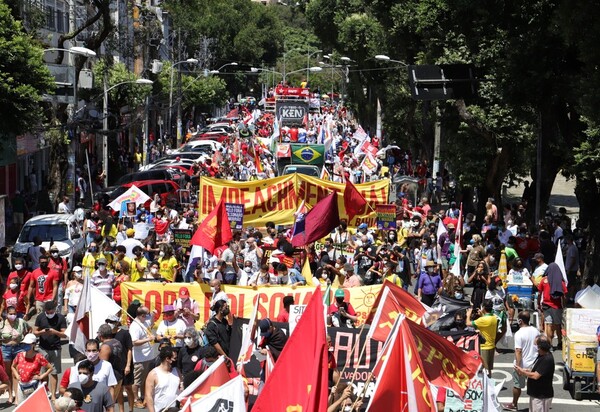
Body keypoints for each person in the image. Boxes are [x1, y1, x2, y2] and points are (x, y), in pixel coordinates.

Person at [504, 311, 540, 411]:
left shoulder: (519, 333)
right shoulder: (536, 330)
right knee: (534, 387)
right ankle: (536, 406)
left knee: (517, 385)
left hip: (522, 365)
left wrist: (519, 367)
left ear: (520, 321)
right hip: (534, 364)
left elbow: (518, 351)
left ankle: (514, 404)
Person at [33, 300, 66, 399]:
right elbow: (34, 331)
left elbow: (64, 334)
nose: (49, 314)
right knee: (43, 373)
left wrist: (55, 332)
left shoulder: (60, 318)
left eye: (51, 312)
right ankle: (45, 393)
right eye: (47, 312)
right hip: (43, 348)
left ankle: (53, 395)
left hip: (56, 348)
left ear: (55, 310)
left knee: (54, 373)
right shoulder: (40, 317)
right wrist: (41, 332)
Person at [514, 335, 554, 412]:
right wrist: (527, 370)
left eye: (536, 345)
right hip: (536, 393)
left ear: (541, 346)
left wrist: (523, 372)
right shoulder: (541, 355)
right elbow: (537, 370)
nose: (535, 347)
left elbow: (536, 376)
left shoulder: (547, 359)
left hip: (541, 396)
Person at [105, 314, 134, 412]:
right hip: (115, 367)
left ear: (117, 323)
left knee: (128, 388)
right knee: (119, 389)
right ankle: (121, 410)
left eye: (112, 322)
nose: (110, 324)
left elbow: (129, 349)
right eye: (108, 321)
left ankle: (131, 409)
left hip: (125, 364)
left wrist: (128, 365)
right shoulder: (108, 334)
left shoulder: (125, 333)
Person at [129, 306, 157, 409]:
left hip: (148, 356)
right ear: (142, 315)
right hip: (140, 358)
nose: (148, 317)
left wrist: (153, 316)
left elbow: (151, 324)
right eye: (148, 315)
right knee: (137, 381)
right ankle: (136, 399)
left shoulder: (144, 321)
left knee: (146, 379)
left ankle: (144, 397)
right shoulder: (135, 326)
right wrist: (148, 339)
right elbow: (134, 342)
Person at [12, 333, 53, 402]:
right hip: (22, 385)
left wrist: (41, 377)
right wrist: (17, 375)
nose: (26, 345)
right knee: (22, 406)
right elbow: (13, 366)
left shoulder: (39, 356)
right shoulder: (19, 355)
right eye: (25, 343)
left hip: (34, 384)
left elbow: (50, 368)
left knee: (35, 405)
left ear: (33, 344)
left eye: (28, 344)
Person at [1, 306, 30, 403]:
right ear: (6, 314)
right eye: (10, 313)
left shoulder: (21, 322)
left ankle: (17, 396)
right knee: (7, 374)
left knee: (15, 373)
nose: (13, 315)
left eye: (14, 313)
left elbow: (30, 330)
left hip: (18, 348)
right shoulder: (1, 324)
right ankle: (10, 395)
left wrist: (26, 340)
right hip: (5, 349)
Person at [537, 262, 567, 348]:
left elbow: (539, 294)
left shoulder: (544, 280)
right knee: (558, 325)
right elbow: (564, 296)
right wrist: (564, 306)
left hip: (546, 306)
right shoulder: (561, 282)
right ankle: (560, 343)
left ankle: (549, 344)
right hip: (557, 306)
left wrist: (539, 304)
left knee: (548, 324)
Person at [145, 346, 181, 412]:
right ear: (167, 359)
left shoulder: (177, 371)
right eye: (175, 358)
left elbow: (182, 388)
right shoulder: (153, 374)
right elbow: (148, 396)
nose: (177, 360)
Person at [467, 300, 497, 377]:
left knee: (484, 370)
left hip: (484, 347)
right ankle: (490, 384)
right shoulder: (494, 317)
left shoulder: (483, 320)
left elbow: (468, 323)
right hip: (491, 346)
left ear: (483, 308)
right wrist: (482, 315)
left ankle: (487, 386)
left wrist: (468, 313)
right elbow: (485, 323)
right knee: (488, 369)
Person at [97, 324, 125, 408]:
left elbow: (102, 366)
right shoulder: (117, 342)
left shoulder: (105, 347)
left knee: (107, 405)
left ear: (101, 335)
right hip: (119, 376)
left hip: (110, 380)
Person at [27, 254, 59, 318]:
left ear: (48, 262)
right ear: (39, 262)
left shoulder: (53, 272)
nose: (44, 264)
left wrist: (53, 298)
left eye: (45, 262)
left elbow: (55, 286)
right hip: (39, 299)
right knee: (40, 316)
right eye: (42, 262)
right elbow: (31, 286)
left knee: (51, 316)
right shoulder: (34, 272)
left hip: (49, 298)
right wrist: (28, 298)